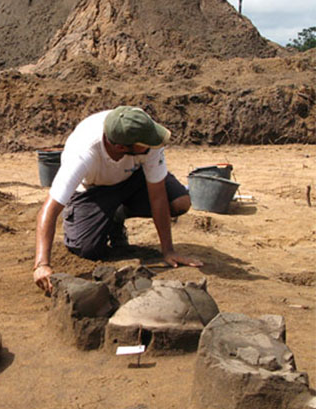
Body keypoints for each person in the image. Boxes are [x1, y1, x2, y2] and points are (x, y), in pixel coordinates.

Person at [33, 106, 203, 294]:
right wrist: (42, 264)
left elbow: (157, 195)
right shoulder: (83, 154)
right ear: (121, 147)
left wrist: (168, 250)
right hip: (93, 189)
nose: (154, 144)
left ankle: (118, 213)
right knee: (87, 249)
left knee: (180, 202)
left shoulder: (144, 133)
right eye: (145, 144)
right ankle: (106, 214)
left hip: (133, 178)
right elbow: (49, 209)